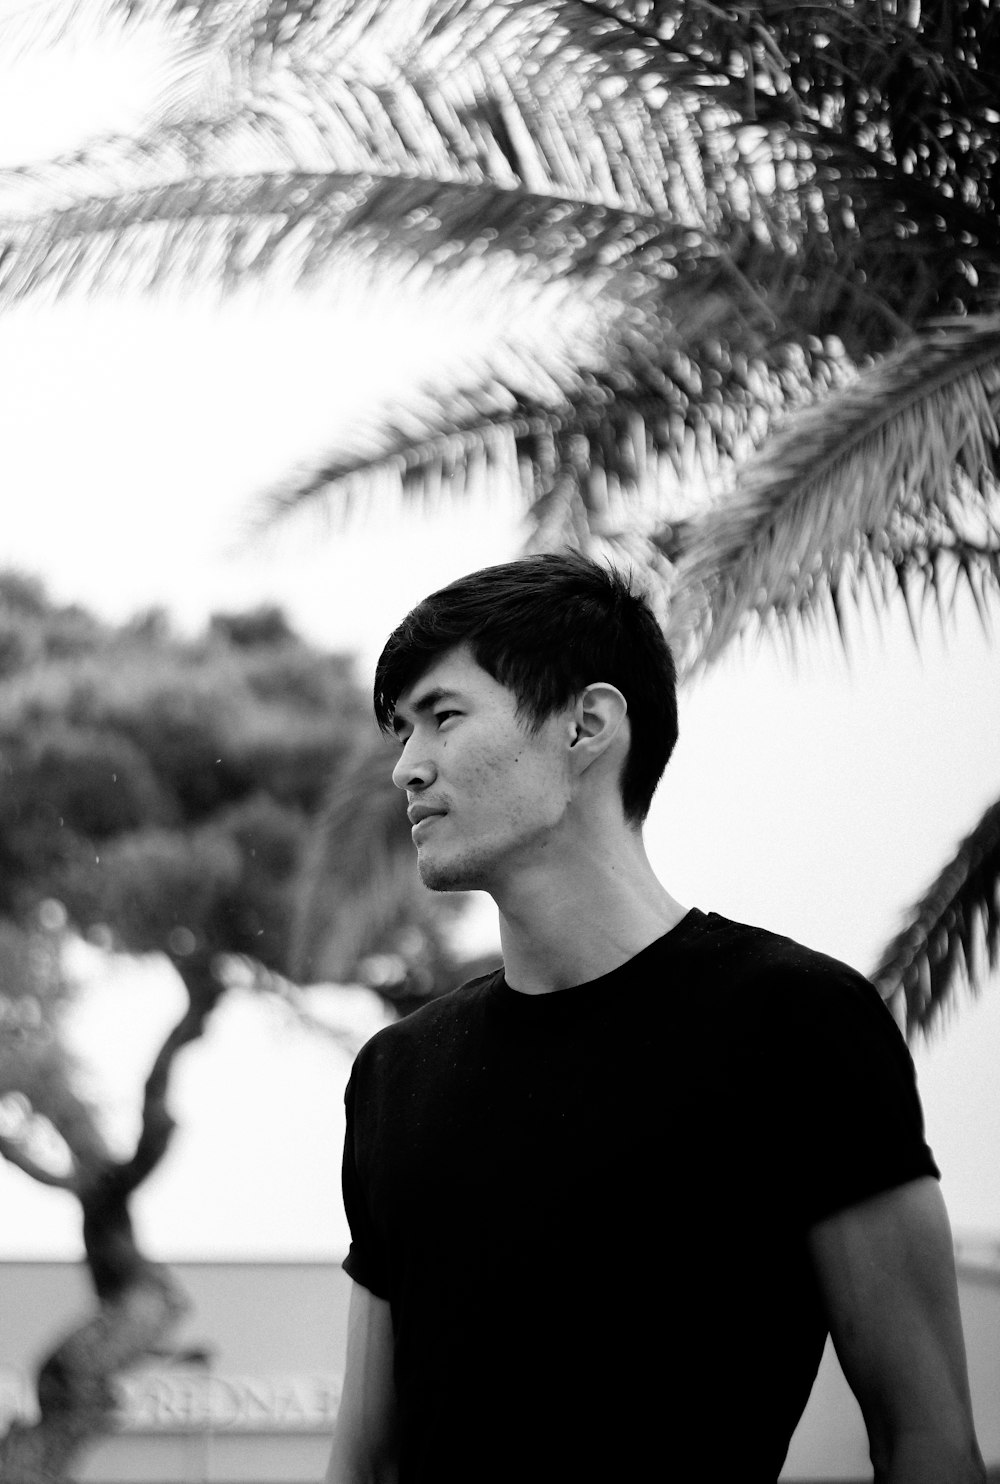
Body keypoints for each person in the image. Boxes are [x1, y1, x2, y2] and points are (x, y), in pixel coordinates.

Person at [325, 553, 984, 1484]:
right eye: (401, 731)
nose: (406, 768)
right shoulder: (397, 1073)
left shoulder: (797, 1026)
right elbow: (367, 1463)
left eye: (443, 717)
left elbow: (928, 1440)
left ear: (587, 726)